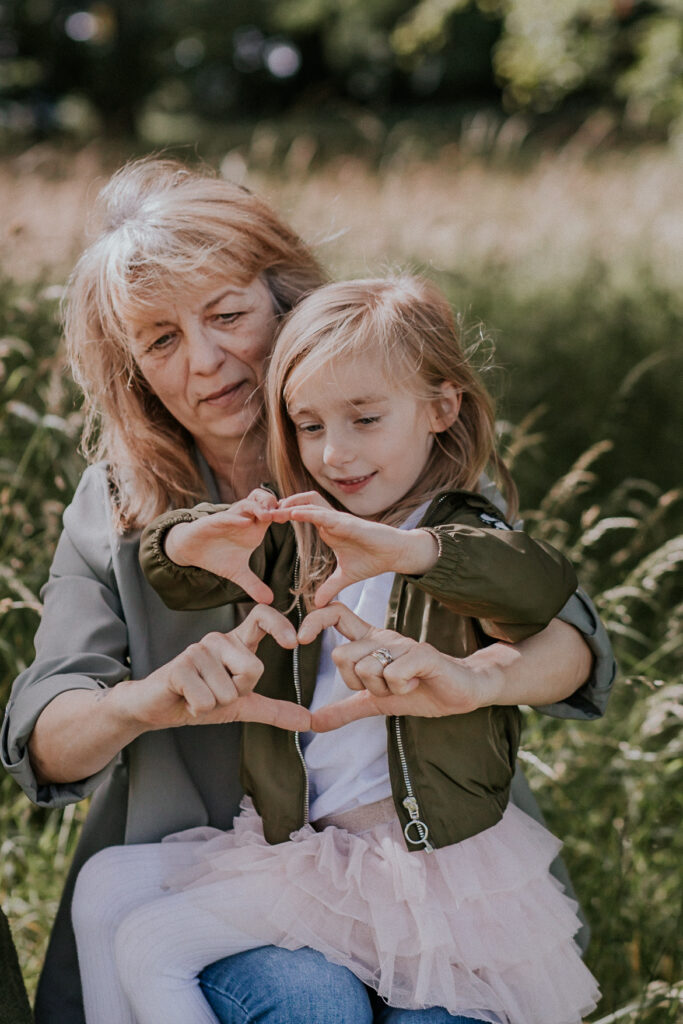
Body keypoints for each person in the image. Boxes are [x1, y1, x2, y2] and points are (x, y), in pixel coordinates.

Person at [0, 159, 614, 1024]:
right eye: (162, 340)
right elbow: (46, 735)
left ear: (284, 302)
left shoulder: (385, 452)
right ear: (132, 366)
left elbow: (571, 640)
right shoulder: (119, 509)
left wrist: (483, 681)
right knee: (307, 1002)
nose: (207, 362)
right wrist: (149, 700)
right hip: (219, 877)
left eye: (227, 316)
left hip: (430, 873)